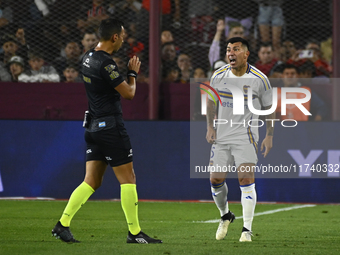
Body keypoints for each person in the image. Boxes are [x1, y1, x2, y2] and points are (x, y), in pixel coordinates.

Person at [51, 18, 162, 244]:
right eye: (122, 35)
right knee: (128, 179)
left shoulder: (88, 57)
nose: (123, 39)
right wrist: (132, 73)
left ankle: (62, 224)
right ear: (114, 37)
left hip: (92, 127)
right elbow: (129, 93)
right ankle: (134, 233)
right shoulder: (106, 63)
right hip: (110, 127)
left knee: (91, 181)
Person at [206, 37, 275, 242]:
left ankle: (247, 229)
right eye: (228, 50)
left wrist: (269, 135)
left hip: (246, 136)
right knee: (215, 180)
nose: (231, 53)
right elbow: (210, 102)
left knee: (245, 180)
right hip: (222, 135)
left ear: (246, 54)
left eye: (236, 49)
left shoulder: (260, 79)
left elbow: (269, 108)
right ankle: (226, 215)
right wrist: (210, 126)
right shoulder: (218, 76)